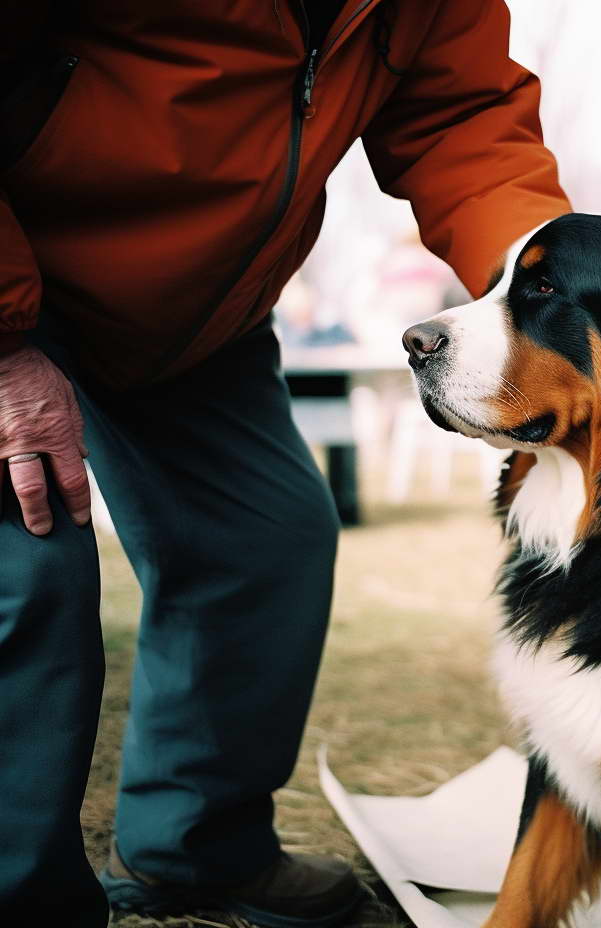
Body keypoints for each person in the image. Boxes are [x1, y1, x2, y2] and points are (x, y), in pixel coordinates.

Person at [0, 3, 569, 926]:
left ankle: (196, 851)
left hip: (191, 310)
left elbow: (465, 122)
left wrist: (578, 298)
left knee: (268, 538)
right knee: (26, 570)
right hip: (12, 264)